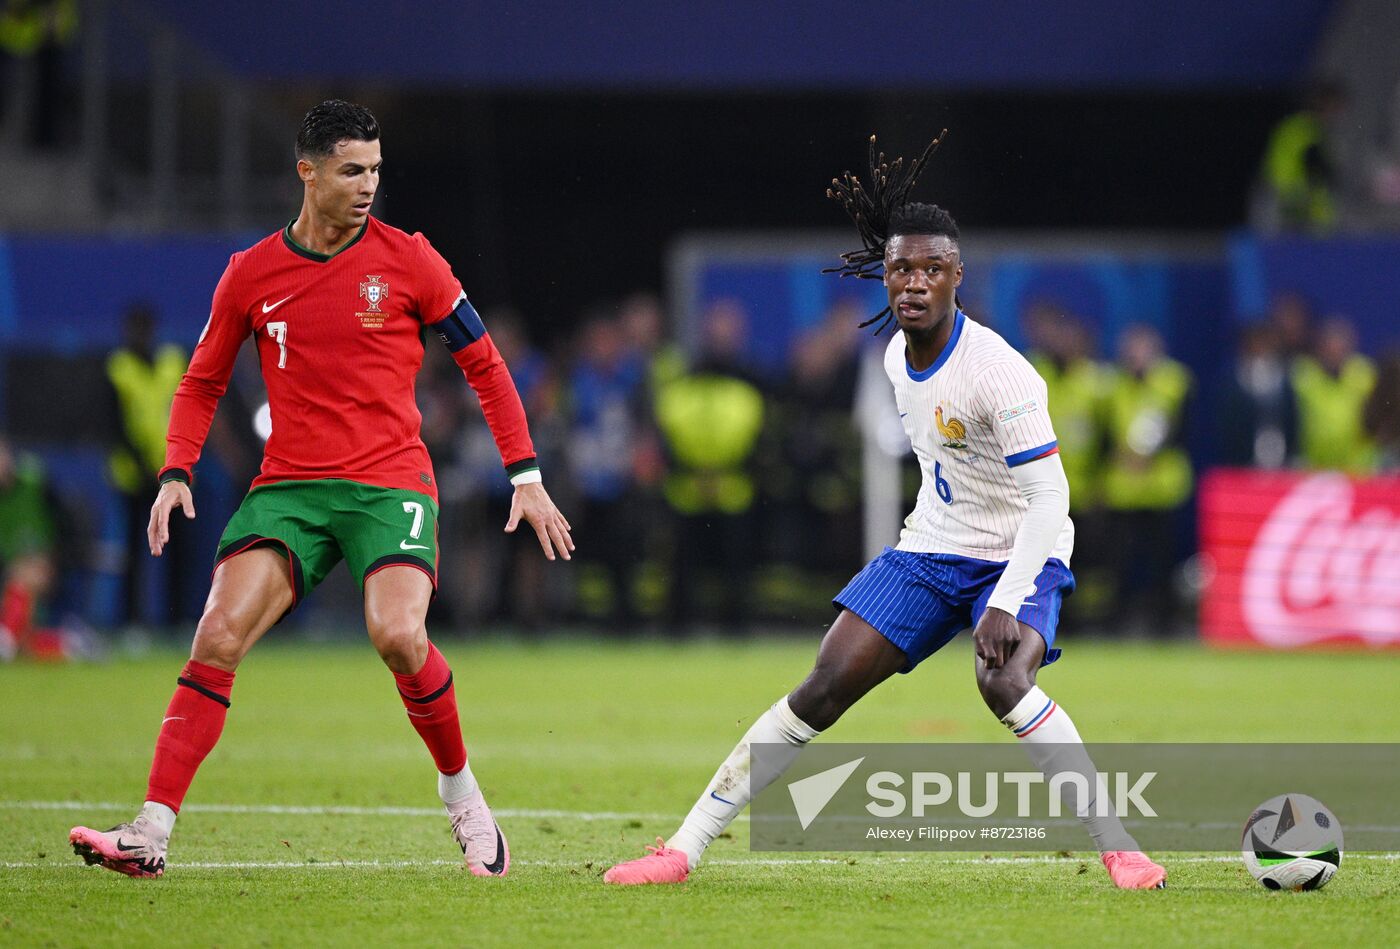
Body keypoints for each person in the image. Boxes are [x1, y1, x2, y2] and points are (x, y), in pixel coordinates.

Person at [603, 134, 1165, 889]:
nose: (916, 282)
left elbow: (1049, 496)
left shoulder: (1001, 371)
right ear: (886, 275)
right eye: (902, 268)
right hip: (934, 548)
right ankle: (681, 849)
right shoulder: (895, 358)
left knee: (1001, 680)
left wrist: (1003, 598)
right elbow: (944, 469)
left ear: (958, 277)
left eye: (933, 269)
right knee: (823, 685)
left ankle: (1121, 848)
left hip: (1022, 548)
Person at [69, 100, 572, 879]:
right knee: (216, 634)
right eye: (351, 170)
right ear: (307, 171)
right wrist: (176, 470)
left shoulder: (412, 261)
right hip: (290, 490)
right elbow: (201, 379)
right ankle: (150, 829)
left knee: (399, 636)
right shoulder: (251, 272)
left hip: (389, 482)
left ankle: (466, 802)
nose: (368, 184)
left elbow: (486, 364)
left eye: (375, 168)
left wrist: (526, 475)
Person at [107, 303, 190, 626]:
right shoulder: (119, 367)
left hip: (173, 473)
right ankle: (131, 622)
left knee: (179, 551)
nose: (140, 336)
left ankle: (177, 619)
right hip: (134, 477)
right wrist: (140, 464)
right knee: (135, 552)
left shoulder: (171, 362)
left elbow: (188, 408)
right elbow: (113, 423)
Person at [1292, 316, 1378, 474]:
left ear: (1349, 346)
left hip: (1358, 468)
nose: (1334, 351)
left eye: (1339, 346)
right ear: (1320, 348)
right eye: (1329, 345)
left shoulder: (1365, 374)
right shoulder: (1303, 375)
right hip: (1314, 467)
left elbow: (1377, 417)